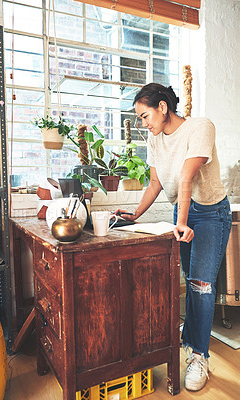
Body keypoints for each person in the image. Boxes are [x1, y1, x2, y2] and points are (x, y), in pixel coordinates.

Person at [115, 82, 232, 392]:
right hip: (184, 214)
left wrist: (179, 223)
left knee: (201, 285)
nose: (143, 123)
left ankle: (199, 356)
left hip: (210, 213)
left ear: (163, 107)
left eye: (144, 116)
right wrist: (134, 214)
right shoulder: (156, 139)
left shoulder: (200, 127)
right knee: (190, 281)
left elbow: (186, 177)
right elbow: (155, 183)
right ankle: (191, 340)